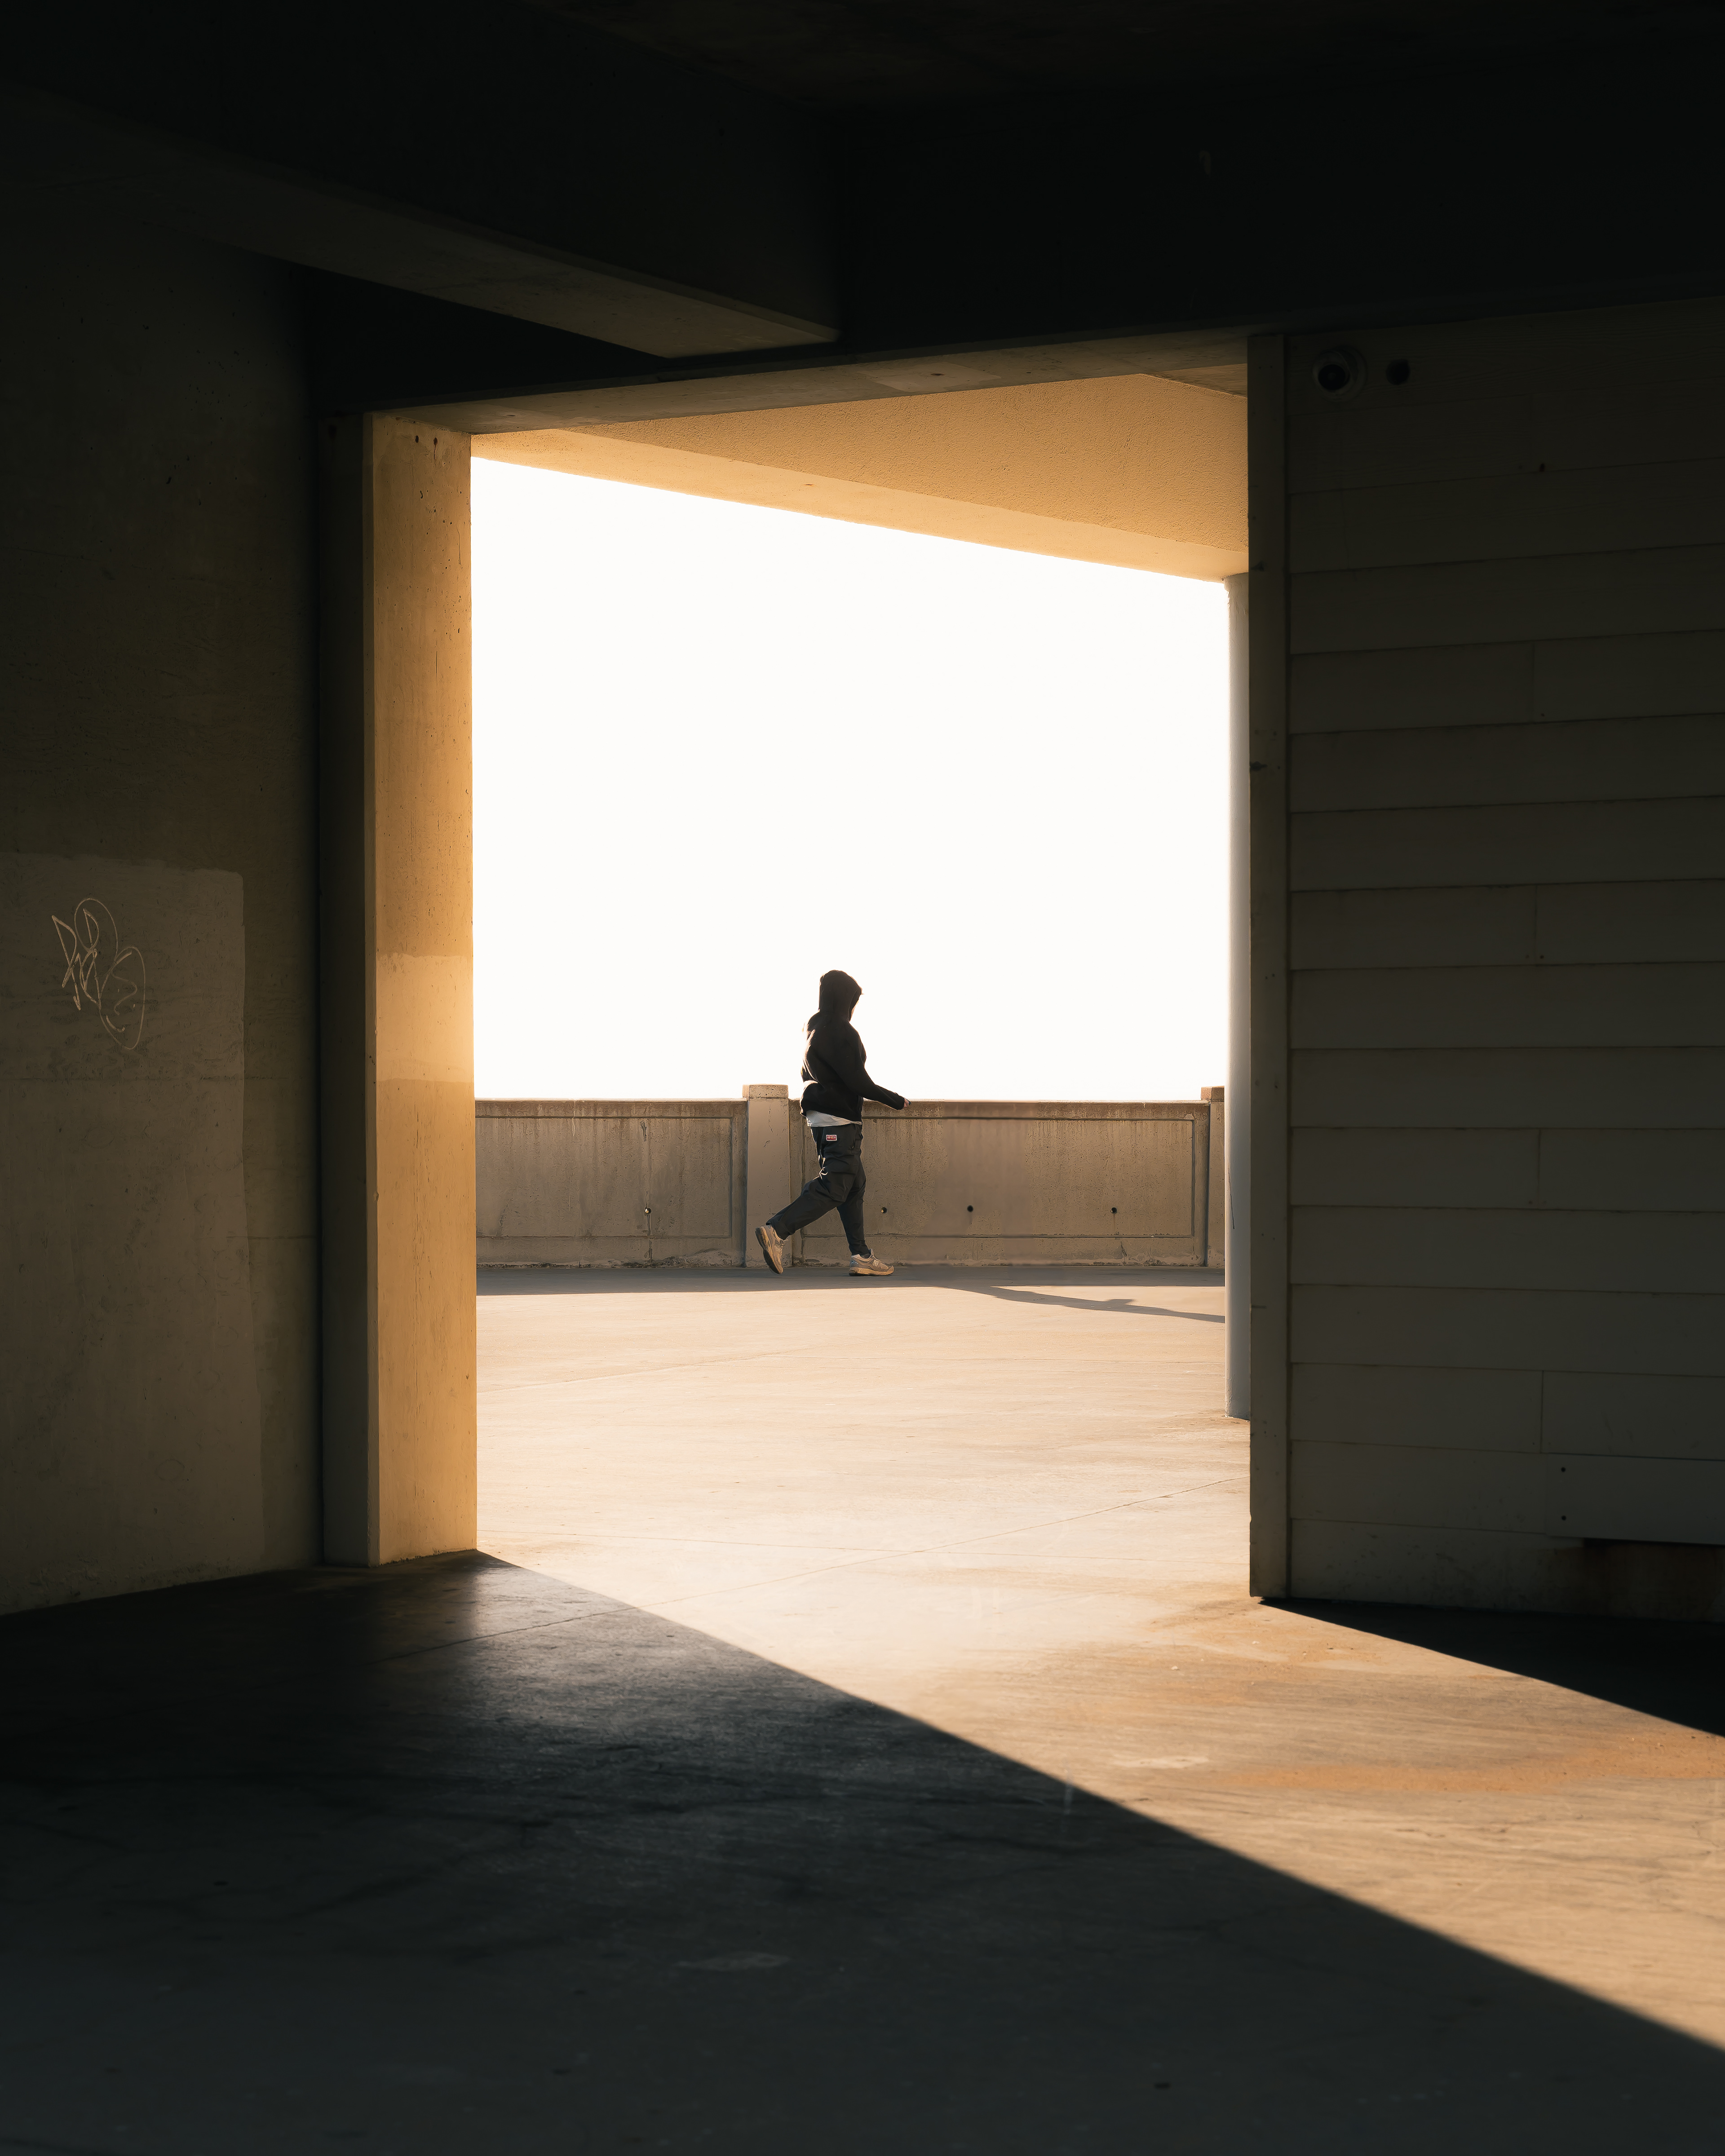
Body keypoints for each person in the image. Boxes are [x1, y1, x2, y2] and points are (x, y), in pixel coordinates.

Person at [756, 970, 906, 1278]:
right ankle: (777, 1231)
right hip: (840, 1120)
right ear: (845, 1000)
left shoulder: (814, 1028)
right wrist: (894, 1099)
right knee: (834, 1186)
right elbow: (858, 1080)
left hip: (821, 1117)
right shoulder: (841, 1031)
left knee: (853, 1185)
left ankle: (861, 1256)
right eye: (853, 1002)